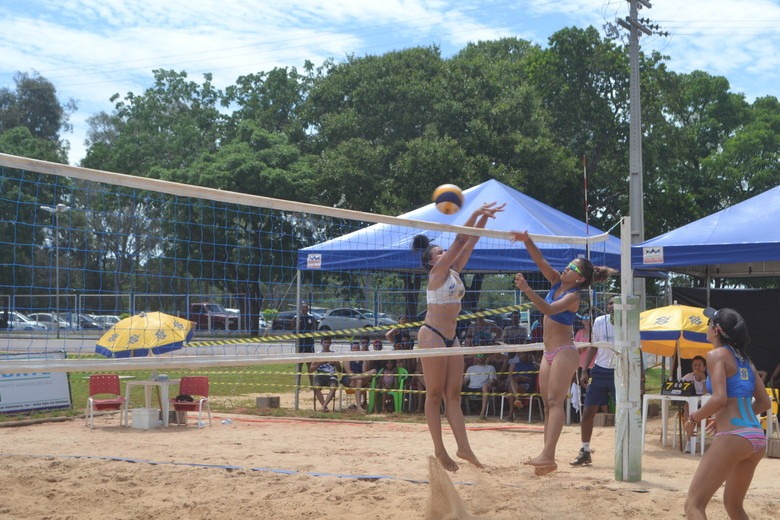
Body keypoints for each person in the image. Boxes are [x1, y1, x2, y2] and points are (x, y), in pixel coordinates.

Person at [512, 230, 616, 476]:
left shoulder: (573, 296)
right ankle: (546, 457)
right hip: (548, 352)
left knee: (554, 402)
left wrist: (526, 289)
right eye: (568, 266)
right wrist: (527, 240)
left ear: (580, 279)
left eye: (573, 269)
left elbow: (547, 308)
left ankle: (549, 455)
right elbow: (541, 261)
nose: (567, 269)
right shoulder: (557, 282)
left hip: (564, 352)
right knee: (548, 405)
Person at [418, 201, 505, 472]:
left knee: (453, 394)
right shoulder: (437, 273)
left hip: (451, 337)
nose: (444, 253)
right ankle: (439, 450)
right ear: (433, 260)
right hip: (431, 335)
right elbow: (459, 239)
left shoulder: (454, 272)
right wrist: (476, 212)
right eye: (439, 251)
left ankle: (464, 447)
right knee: (434, 394)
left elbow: (471, 240)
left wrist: (484, 219)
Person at [684, 307, 770, 520]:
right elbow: (764, 402)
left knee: (693, 505)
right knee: (734, 506)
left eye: (709, 323)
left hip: (735, 437)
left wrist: (693, 418)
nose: (706, 327)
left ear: (715, 330)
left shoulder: (716, 355)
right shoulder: (746, 361)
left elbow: (719, 398)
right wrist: (725, 418)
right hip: (756, 438)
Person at [571, 297, 617, 466]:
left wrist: (640, 377)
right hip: (599, 369)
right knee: (588, 410)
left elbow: (637, 349)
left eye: (616, 303)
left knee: (622, 413)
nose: (612, 306)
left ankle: (624, 451)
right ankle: (584, 450)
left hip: (620, 371)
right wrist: (584, 369)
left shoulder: (629, 323)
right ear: (607, 306)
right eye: (610, 303)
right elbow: (593, 345)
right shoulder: (599, 321)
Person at [310, 337, 341, 412]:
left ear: (330, 343)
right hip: (320, 375)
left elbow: (340, 370)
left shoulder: (333, 354)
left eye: (328, 343)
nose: (327, 345)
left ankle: (323, 406)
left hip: (331, 375)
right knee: (316, 387)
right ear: (321, 343)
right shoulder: (317, 354)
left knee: (333, 388)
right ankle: (324, 407)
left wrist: (336, 363)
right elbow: (311, 369)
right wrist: (319, 363)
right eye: (325, 343)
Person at [463, 354, 497, 419]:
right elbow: (465, 380)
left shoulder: (491, 368)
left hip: (482, 388)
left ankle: (482, 413)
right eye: (478, 356)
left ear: (486, 357)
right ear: (475, 357)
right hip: (470, 388)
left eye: (482, 356)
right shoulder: (470, 368)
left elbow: (492, 380)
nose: (480, 358)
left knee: (485, 387)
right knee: (457, 386)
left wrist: (490, 384)